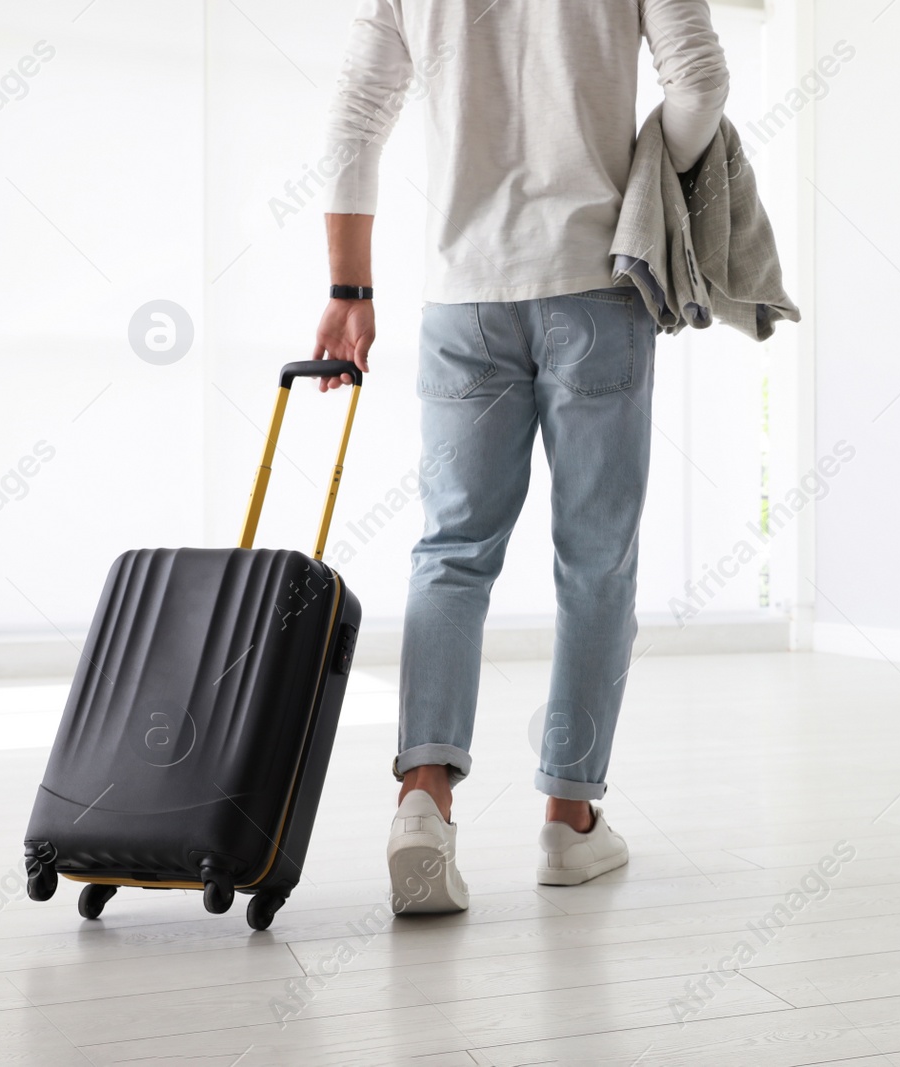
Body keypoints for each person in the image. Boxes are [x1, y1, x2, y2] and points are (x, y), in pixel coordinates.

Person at [310, 0, 729, 911]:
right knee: (595, 561)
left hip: (463, 295)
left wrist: (349, 287)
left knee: (452, 553)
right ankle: (568, 822)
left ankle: (422, 803)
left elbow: (355, 115)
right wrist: (653, 170)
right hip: (596, 288)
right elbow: (699, 84)